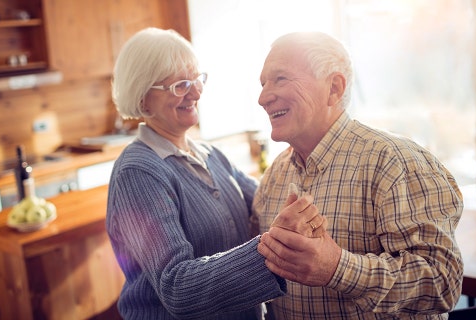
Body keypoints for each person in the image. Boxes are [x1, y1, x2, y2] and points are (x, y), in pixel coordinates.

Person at [105, 27, 325, 320]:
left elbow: (266, 205)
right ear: (144, 99)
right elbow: (177, 288)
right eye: (180, 85)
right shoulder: (138, 173)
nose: (196, 92)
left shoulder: (211, 155)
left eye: (197, 80)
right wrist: (274, 247)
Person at [254, 31, 464, 319]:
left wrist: (337, 268)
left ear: (334, 88)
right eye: (263, 83)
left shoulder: (395, 161)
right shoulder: (274, 175)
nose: (263, 97)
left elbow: (444, 283)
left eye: (280, 79)